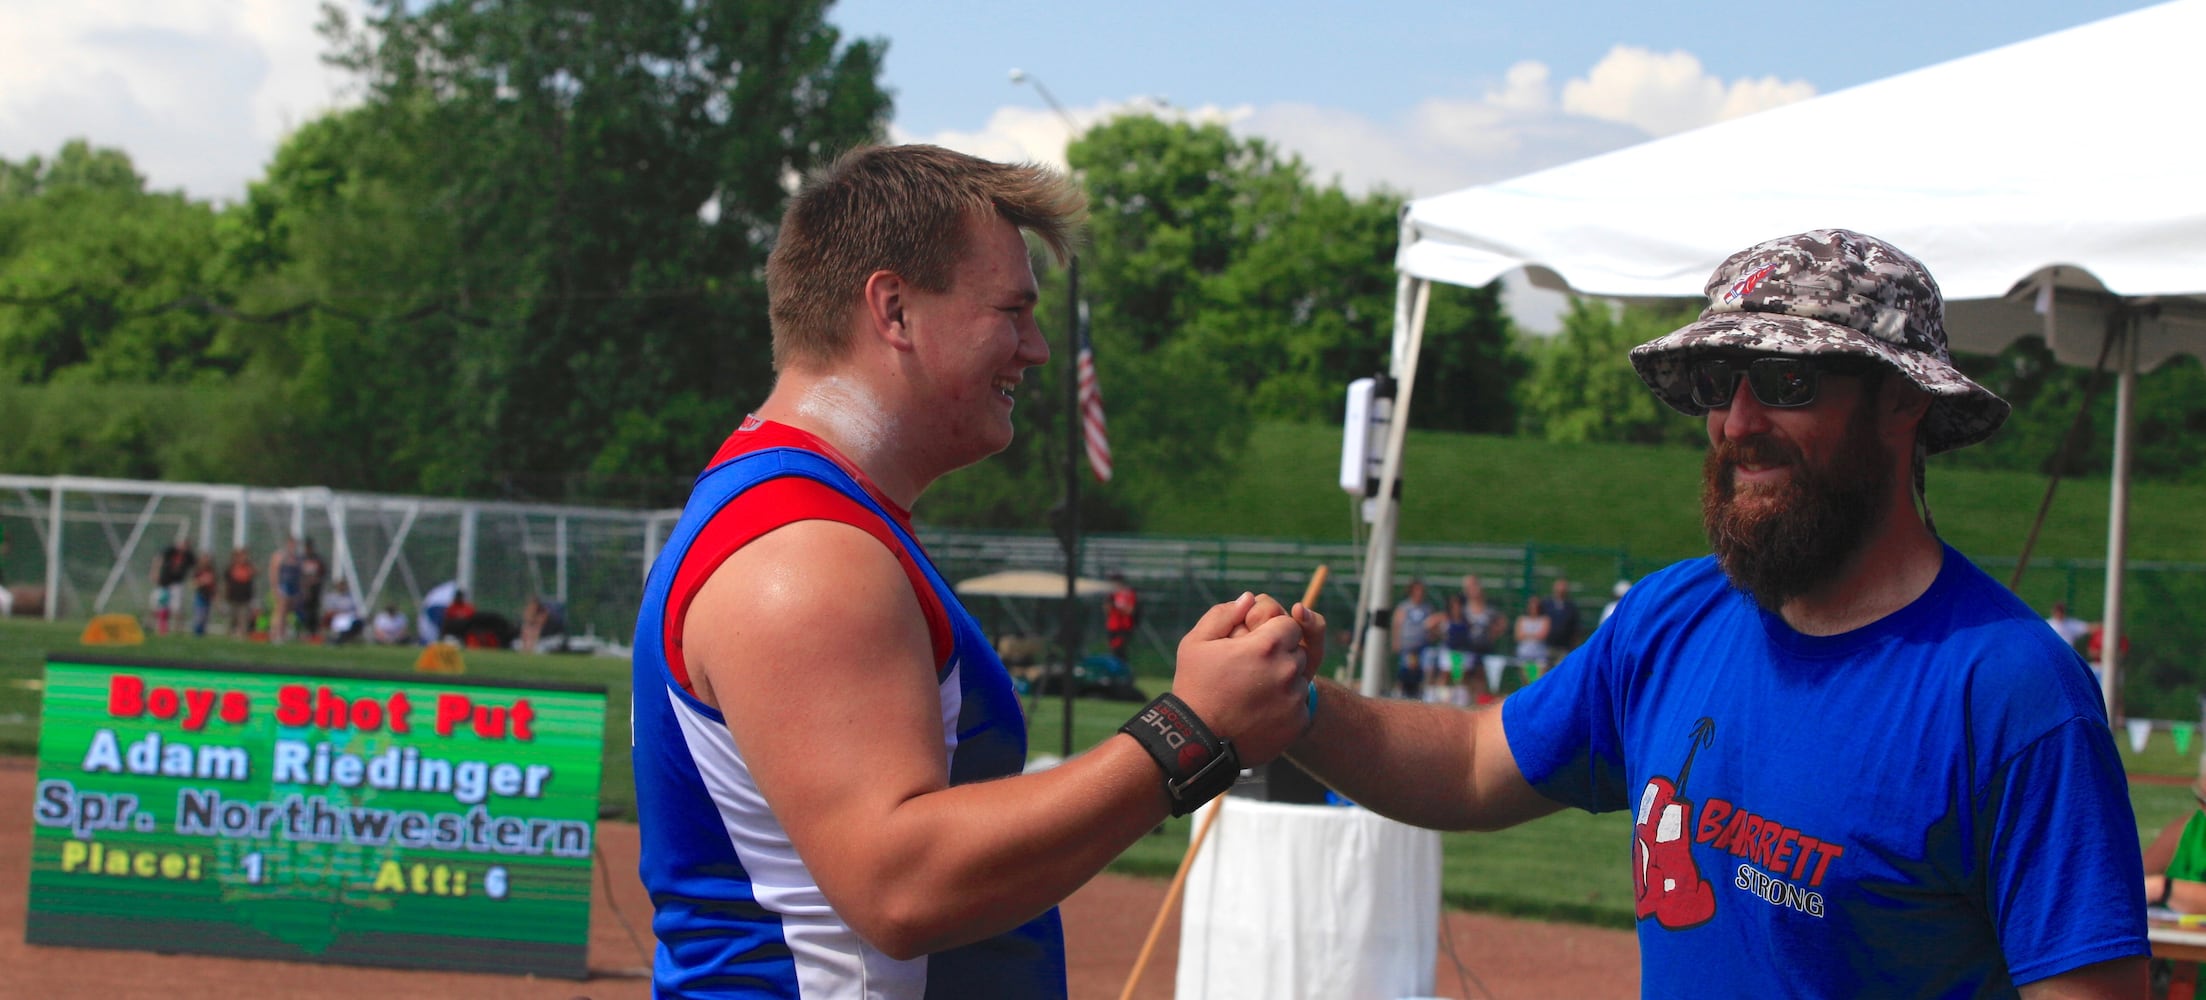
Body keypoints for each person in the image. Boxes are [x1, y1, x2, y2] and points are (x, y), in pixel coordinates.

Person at [1253, 230, 2146, 995]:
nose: (1739, 418)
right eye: (1720, 379)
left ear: (1902, 400)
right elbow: (1475, 762)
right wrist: (1295, 707)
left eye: (1788, 380)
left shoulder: (2011, 691)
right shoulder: (1672, 617)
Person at [628, 144, 1313, 998]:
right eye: (1013, 310)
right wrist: (1189, 729)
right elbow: (902, 884)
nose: (1036, 348)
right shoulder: (803, 549)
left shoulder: (815, 518)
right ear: (895, 309)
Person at [1391, 578, 1435, 700]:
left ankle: (1421, 696)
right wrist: (1396, 641)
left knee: (1422, 673)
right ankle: (1400, 695)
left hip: (1422, 647)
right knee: (1405, 672)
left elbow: (1432, 626)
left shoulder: (1427, 608)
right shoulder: (1404, 607)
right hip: (1408, 646)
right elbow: (1397, 625)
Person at [151, 533, 195, 636]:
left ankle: (178, 628)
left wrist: (193, 579)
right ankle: (161, 628)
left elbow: (194, 567)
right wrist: (155, 572)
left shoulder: (189, 555)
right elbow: (158, 559)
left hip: (177, 583)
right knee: (161, 605)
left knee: (177, 607)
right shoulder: (170, 551)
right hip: (164, 582)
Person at [266, 537, 300, 644]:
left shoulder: (296, 557)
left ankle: (283, 633)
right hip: (282, 585)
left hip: (292, 586)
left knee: (286, 612)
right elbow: (274, 572)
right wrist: (275, 587)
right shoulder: (280, 555)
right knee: (280, 610)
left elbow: (299, 575)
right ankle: (275, 634)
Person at [1544, 575, 1581, 663]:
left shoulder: (1571, 606)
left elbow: (1575, 627)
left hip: (1564, 646)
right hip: (1547, 646)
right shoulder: (1546, 604)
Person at [1104, 571, 1140, 659]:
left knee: (1119, 649)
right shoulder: (1110, 595)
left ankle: (1122, 669)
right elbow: (1106, 610)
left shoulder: (1128, 594)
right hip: (1112, 627)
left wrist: (1119, 606)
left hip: (1124, 627)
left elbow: (1130, 610)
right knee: (1113, 650)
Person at [222, 548, 256, 638]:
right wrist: (225, 595)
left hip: (245, 598)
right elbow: (226, 582)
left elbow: (253, 577)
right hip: (232, 597)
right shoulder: (231, 567)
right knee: (231, 619)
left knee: (244, 619)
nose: (244, 558)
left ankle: (242, 635)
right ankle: (228, 635)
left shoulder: (249, 567)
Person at [1511, 594, 1550, 668]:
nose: (1534, 607)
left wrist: (1526, 635)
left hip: (1539, 655)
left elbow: (1543, 635)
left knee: (1538, 678)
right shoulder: (1521, 619)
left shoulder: (1544, 619)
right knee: (1528, 678)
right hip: (1524, 655)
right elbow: (1518, 636)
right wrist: (1534, 635)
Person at [189, 554, 218, 637]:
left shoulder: (212, 571)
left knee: (205, 617)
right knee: (199, 616)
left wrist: (215, 596)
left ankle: (202, 634)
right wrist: (202, 581)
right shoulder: (198, 571)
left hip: (208, 596)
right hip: (200, 595)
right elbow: (192, 584)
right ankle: (196, 634)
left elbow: (214, 585)